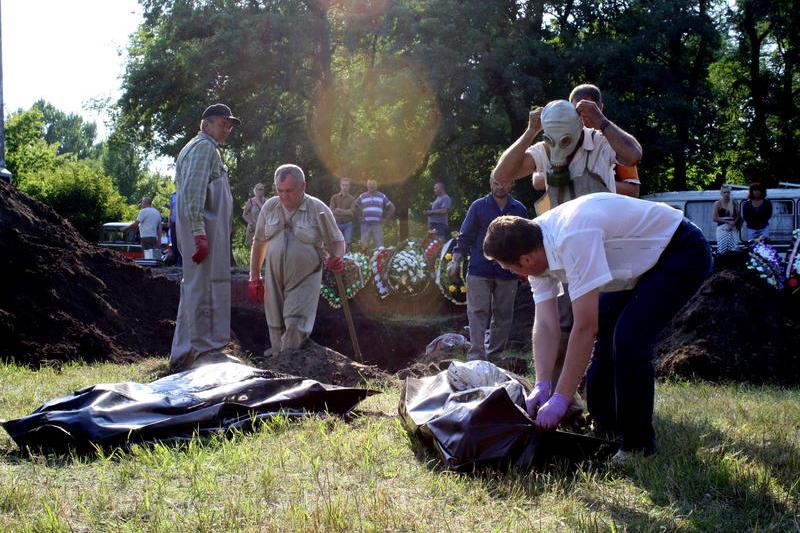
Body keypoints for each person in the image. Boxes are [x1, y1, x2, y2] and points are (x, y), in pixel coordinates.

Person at [482, 193, 712, 460]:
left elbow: (584, 327)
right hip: (637, 266)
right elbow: (545, 323)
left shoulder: (572, 237)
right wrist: (542, 383)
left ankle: (638, 445)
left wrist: (560, 398)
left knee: (629, 340)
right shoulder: (533, 243)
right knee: (607, 335)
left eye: (508, 268)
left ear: (524, 261)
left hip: (679, 250)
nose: (512, 273)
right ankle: (606, 428)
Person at [169, 103, 240, 372]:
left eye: (229, 125)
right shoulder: (203, 148)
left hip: (208, 231)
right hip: (204, 232)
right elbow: (192, 192)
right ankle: (202, 350)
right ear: (206, 124)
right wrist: (199, 234)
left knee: (197, 286)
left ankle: (187, 350)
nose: (227, 129)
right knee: (203, 287)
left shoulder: (201, 147)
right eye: (223, 123)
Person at [248, 164, 345, 354]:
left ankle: (289, 362)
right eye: (279, 190)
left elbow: (337, 241)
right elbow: (259, 242)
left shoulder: (317, 208)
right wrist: (254, 277)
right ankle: (278, 362)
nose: (284, 196)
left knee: (295, 324)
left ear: (303, 186)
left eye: (289, 191)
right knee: (275, 323)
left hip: (305, 277)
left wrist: (337, 258)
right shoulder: (269, 207)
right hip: (274, 276)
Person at [492, 98, 642, 213]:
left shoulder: (602, 142)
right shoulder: (544, 150)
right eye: (550, 141)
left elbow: (633, 156)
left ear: (580, 124)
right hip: (562, 235)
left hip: (602, 232)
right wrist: (530, 131)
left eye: (565, 141)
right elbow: (501, 176)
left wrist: (602, 121)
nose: (555, 150)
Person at [448, 177, 527, 361]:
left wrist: (525, 269)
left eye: (503, 182)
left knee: (503, 315)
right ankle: (476, 356)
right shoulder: (478, 206)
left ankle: (495, 357)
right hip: (479, 268)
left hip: (508, 271)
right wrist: (455, 261)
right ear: (490, 183)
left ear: (511, 183)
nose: (499, 186)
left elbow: (525, 241)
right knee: (477, 311)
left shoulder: (519, 210)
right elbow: (465, 236)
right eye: (495, 183)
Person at [568, 84, 641, 198]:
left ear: (600, 109)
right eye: (578, 111)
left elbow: (633, 190)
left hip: (607, 209)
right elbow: (538, 180)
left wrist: (594, 183)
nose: (584, 115)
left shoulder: (613, 140)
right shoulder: (563, 140)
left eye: (591, 109)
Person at [356, 179, 395, 249]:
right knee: (363, 247)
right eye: (370, 184)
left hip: (377, 224)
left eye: (373, 184)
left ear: (377, 185)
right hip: (365, 224)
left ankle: (379, 260)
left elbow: (392, 208)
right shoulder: (362, 196)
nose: (371, 186)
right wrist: (358, 217)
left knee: (379, 247)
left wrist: (386, 219)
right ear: (367, 185)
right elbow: (354, 206)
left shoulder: (382, 196)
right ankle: (363, 260)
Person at [329, 178, 356, 247]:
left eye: (346, 185)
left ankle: (346, 257)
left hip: (348, 224)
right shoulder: (334, 197)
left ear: (349, 186)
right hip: (337, 223)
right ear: (340, 186)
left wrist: (339, 210)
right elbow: (331, 211)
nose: (345, 187)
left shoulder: (352, 199)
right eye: (343, 185)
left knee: (347, 243)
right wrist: (347, 211)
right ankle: (337, 257)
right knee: (336, 242)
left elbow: (352, 212)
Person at [712, 185, 740, 254]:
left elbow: (738, 215)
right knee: (722, 249)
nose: (726, 194)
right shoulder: (717, 203)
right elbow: (715, 218)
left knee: (734, 248)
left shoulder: (734, 202)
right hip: (722, 228)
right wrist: (727, 222)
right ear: (721, 193)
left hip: (733, 227)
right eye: (724, 192)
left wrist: (733, 223)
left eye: (728, 192)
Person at [242, 183, 266, 248]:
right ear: (256, 190)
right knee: (253, 251)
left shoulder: (266, 201)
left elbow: (266, 213)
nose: (262, 191)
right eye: (260, 189)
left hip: (264, 229)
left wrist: (258, 202)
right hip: (253, 229)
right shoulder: (251, 201)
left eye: (263, 189)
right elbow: (244, 214)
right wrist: (250, 222)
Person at [167, 191, 182, 266]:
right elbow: (171, 210)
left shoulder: (185, 191)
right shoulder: (173, 195)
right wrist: (169, 221)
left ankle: (181, 261)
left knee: (182, 241)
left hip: (183, 222)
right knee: (174, 241)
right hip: (174, 221)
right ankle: (176, 261)